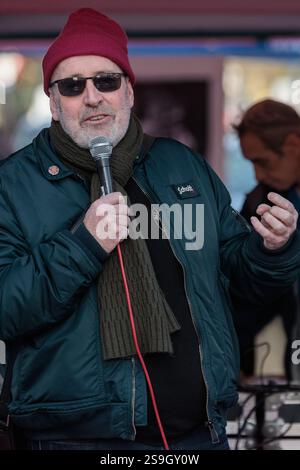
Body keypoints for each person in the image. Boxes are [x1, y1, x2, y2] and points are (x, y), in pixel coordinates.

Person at [0, 9, 299, 452]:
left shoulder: (181, 165)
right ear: (53, 100)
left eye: (106, 80)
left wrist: (272, 249)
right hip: (75, 440)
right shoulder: (14, 185)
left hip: (199, 434)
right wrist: (82, 247)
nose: (93, 96)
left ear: (129, 91)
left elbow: (241, 277)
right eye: (73, 85)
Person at [231, 99, 300, 381]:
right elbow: (246, 293)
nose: (258, 174)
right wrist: (237, 357)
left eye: (263, 161)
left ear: (294, 145)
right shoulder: (259, 203)